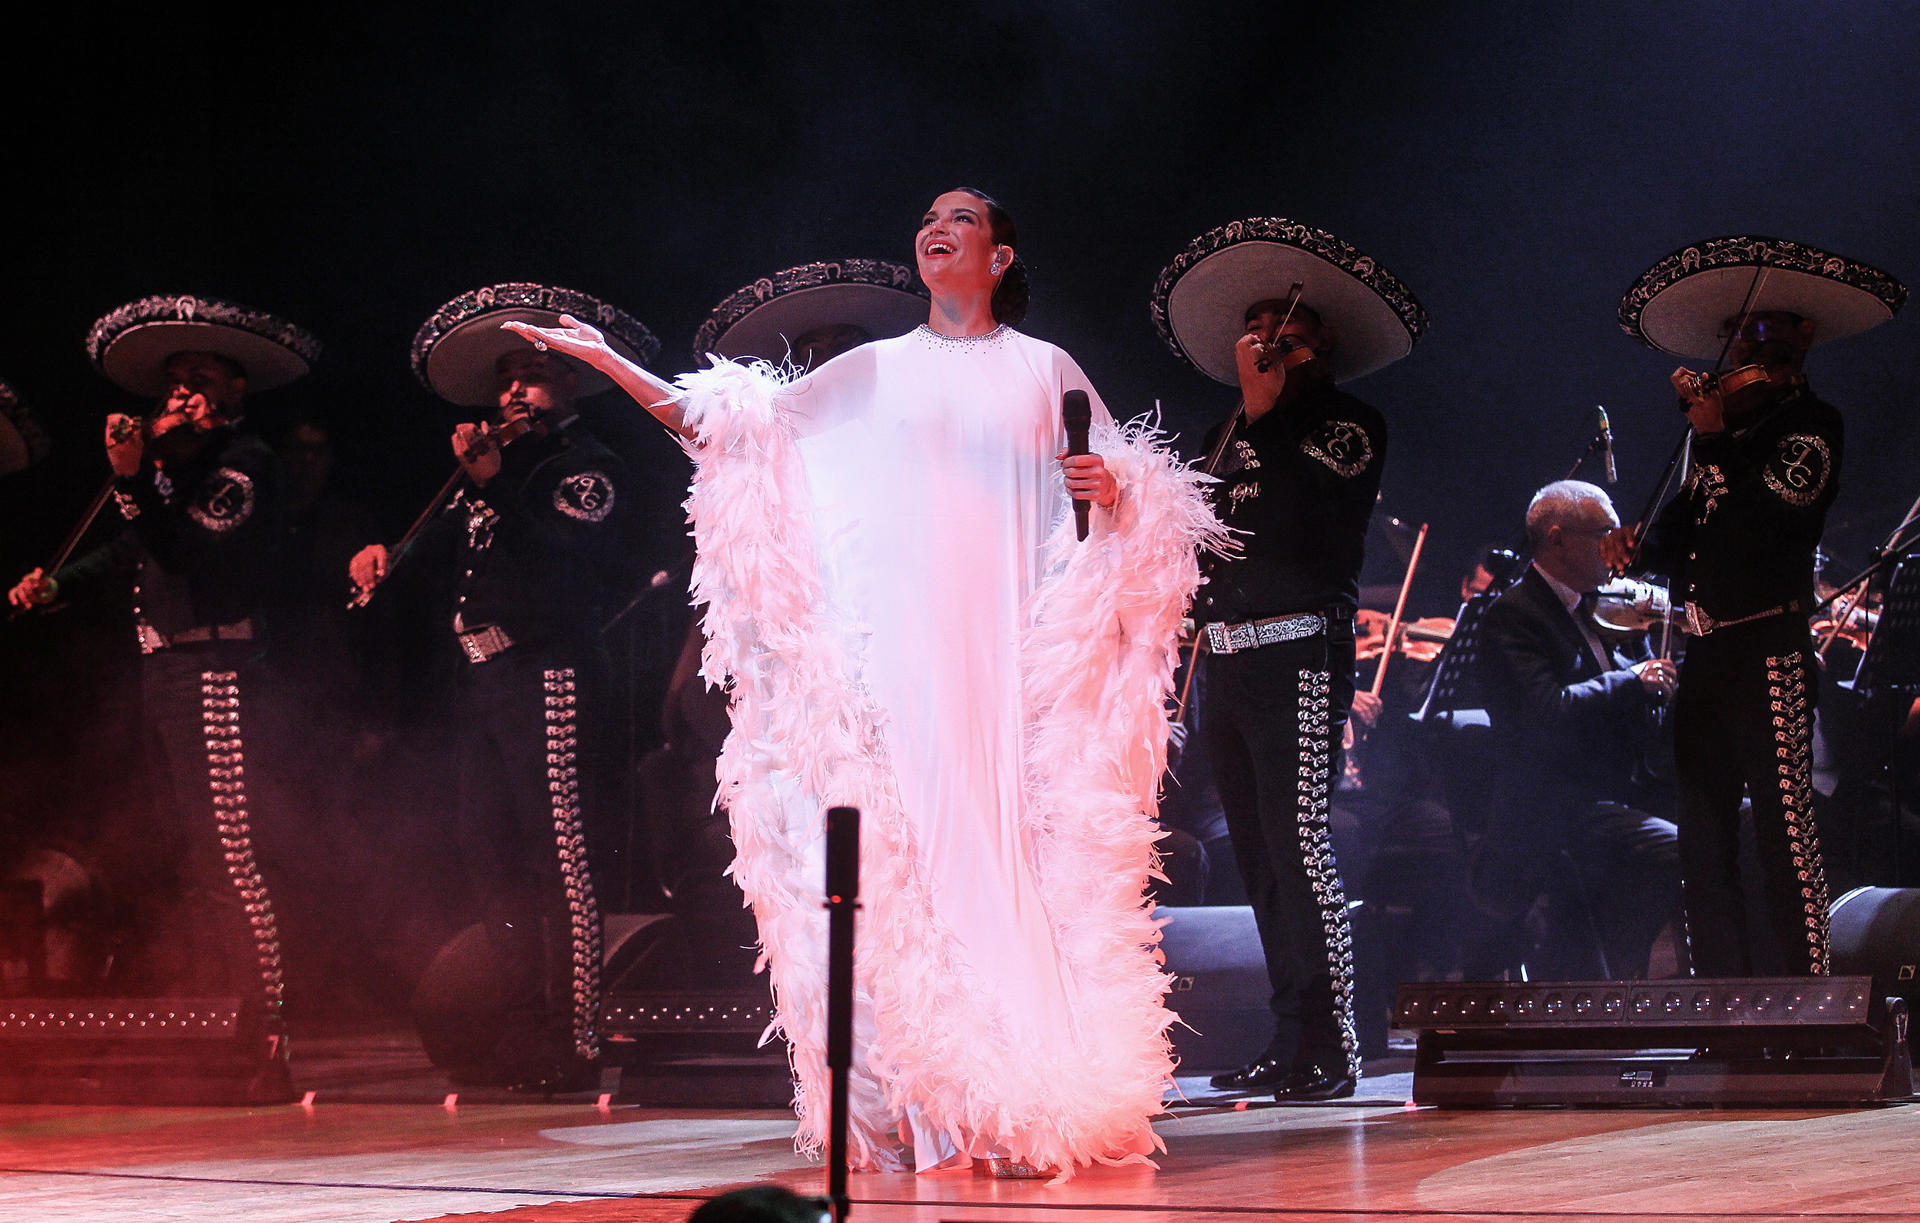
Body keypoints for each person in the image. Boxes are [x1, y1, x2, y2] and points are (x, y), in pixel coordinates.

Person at [510, 189, 1224, 1179]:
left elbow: (1136, 506)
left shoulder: (1045, 369)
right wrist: (604, 359)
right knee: (911, 869)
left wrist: (1118, 489)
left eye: (962, 219)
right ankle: (944, 1105)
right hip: (897, 660)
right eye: (929, 218)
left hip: (1006, 659)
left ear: (999, 254)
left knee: (1004, 854)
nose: (937, 228)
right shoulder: (873, 373)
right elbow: (729, 429)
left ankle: (1031, 1101)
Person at [8, 294, 319, 1097]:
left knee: (231, 858)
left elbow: (177, 551)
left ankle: (269, 1039)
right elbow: (127, 551)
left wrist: (132, 478)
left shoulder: (246, 465)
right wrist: (59, 583)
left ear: (236, 392)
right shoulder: (174, 469)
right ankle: (225, 1030)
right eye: (174, 381)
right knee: (192, 856)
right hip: (165, 671)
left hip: (215, 671)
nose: (182, 394)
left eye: (201, 379)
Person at [350, 282, 657, 1091]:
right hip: (482, 679)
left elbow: (569, 562)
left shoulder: (587, 467)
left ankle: (577, 1032)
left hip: (548, 672)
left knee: (561, 853)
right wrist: (386, 557)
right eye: (506, 377)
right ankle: (520, 1031)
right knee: (489, 852)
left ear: (572, 382)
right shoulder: (493, 469)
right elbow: (448, 555)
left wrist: (491, 482)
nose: (513, 390)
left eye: (533, 373)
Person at [1150, 217, 1427, 1100]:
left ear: (1317, 342)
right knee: (1259, 854)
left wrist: (1268, 410)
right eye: (1257, 324)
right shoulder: (1223, 429)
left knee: (1302, 844)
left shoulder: (1348, 425)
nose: (1266, 339)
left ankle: (1337, 1041)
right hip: (1225, 661)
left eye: (1285, 328)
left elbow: (1313, 515)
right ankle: (1287, 1033)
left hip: (1301, 651)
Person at [1608, 236, 1906, 976]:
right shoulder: (1725, 432)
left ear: (1800, 345)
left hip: (1768, 650)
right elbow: (1686, 528)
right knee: (1701, 834)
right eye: (1742, 339)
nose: (1747, 354)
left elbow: (1766, 518)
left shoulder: (1812, 428)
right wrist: (1635, 547)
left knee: (1784, 829)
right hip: (1706, 656)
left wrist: (1712, 440)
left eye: (1766, 339)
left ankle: (1809, 989)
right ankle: (1719, 994)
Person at [1474, 480, 1682, 978]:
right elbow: (1545, 712)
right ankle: (1623, 974)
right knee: (1683, 853)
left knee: (1736, 825)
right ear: (1558, 538)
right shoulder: (1514, 614)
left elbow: (1649, 698)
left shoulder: (1611, 608)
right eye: (1603, 534)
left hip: (1630, 789)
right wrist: (1632, 681)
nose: (1618, 548)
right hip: (1560, 805)